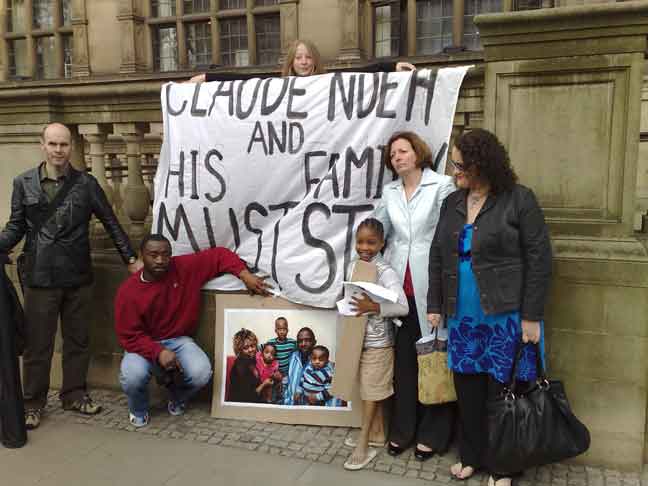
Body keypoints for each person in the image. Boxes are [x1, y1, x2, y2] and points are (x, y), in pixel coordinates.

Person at [427, 129, 552, 486]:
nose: (455, 171)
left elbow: (539, 260)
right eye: (454, 164)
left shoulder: (519, 199)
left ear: (482, 163)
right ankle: (471, 456)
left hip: (506, 314)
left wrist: (532, 316)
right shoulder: (452, 202)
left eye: (460, 164)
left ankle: (504, 465)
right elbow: (438, 255)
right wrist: (435, 303)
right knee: (467, 390)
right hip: (463, 315)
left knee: (504, 392)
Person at [0, 122, 138, 430]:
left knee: (78, 340)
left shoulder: (86, 184)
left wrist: (130, 258)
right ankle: (32, 402)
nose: (59, 150)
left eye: (63, 144)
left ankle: (74, 394)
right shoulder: (23, 183)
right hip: (40, 276)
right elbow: (15, 227)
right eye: (53, 144)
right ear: (43, 145)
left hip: (78, 276)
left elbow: (111, 222)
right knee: (38, 345)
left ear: (71, 147)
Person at [115, 234, 270, 427]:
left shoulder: (184, 267)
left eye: (165, 255)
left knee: (201, 372)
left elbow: (220, 255)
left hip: (178, 339)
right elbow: (128, 336)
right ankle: (138, 410)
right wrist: (158, 352)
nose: (160, 260)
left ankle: (178, 397)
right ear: (142, 256)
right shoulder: (129, 291)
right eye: (153, 255)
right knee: (133, 376)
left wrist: (245, 275)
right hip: (142, 343)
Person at [373, 131, 456, 460]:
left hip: (432, 287)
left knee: (434, 362)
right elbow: (378, 231)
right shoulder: (389, 191)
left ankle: (435, 435)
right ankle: (403, 430)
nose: (397, 157)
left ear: (418, 153)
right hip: (400, 291)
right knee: (405, 366)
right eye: (392, 154)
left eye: (403, 151)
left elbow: (448, 233)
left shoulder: (442, 186)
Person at [342, 218, 409, 471]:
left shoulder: (385, 271)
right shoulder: (353, 266)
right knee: (366, 389)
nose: (364, 247)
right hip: (356, 338)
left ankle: (363, 442)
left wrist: (375, 307)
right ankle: (377, 434)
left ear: (382, 243)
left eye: (371, 242)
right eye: (360, 241)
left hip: (379, 342)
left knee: (372, 392)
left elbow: (403, 306)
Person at [188, 39, 415, 83]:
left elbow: (361, 71)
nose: (304, 62)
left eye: (308, 57)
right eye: (299, 57)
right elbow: (243, 79)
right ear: (291, 62)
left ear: (315, 61)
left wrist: (392, 66)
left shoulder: (326, 81)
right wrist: (205, 77)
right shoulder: (277, 83)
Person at [229, 329, 271, 404]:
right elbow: (249, 396)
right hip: (241, 405)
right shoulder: (240, 367)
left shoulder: (253, 360)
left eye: (252, 346)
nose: (251, 349)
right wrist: (264, 384)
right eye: (246, 348)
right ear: (239, 350)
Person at [265, 317, 297, 381]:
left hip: (287, 374)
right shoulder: (271, 342)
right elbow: (261, 352)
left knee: (284, 388)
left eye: (284, 329)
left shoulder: (292, 343)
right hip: (274, 373)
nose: (282, 332)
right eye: (279, 329)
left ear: (287, 330)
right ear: (275, 330)